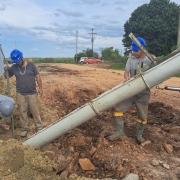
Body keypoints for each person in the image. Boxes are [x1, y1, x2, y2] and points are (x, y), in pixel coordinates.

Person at [108, 37, 153, 144]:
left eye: (136, 50)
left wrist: (155, 62)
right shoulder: (131, 60)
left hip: (143, 93)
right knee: (118, 109)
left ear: (143, 49)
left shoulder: (150, 60)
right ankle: (119, 132)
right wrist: (127, 78)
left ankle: (139, 136)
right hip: (131, 91)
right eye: (133, 50)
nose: (134, 52)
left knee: (142, 116)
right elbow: (126, 72)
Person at [4, 49, 43, 137]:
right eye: (15, 62)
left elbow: (38, 77)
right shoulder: (14, 67)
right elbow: (6, 77)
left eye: (18, 61)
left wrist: (40, 88)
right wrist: (5, 70)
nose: (17, 63)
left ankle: (39, 127)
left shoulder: (31, 65)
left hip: (32, 93)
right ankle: (24, 128)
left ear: (22, 57)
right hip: (20, 93)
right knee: (22, 111)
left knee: (35, 111)